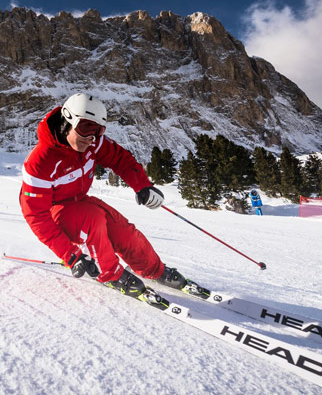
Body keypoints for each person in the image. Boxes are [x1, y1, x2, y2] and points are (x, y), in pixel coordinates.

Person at [19, 93, 205, 299]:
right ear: (67, 120)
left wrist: (142, 186)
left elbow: (120, 159)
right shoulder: (40, 162)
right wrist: (71, 256)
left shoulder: (93, 143)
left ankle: (155, 269)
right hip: (55, 212)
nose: (91, 138)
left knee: (121, 228)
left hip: (80, 201)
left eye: (98, 131)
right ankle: (110, 274)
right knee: (93, 219)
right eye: (85, 128)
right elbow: (36, 216)